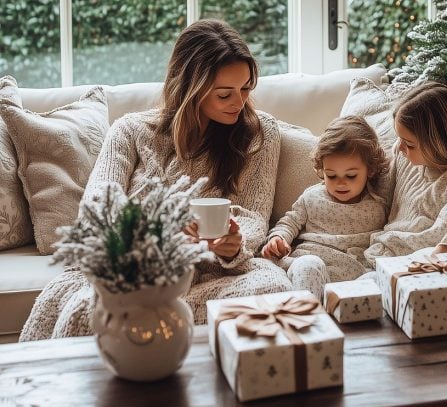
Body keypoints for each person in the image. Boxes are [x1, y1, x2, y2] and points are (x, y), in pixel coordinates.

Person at [20, 19, 293, 341]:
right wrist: (161, 239)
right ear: (191, 89)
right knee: (86, 306)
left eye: (246, 88)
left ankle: (160, 328)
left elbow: (254, 214)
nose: (240, 102)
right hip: (131, 272)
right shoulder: (130, 131)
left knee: (275, 288)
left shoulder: (260, 133)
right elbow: (97, 210)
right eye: (225, 94)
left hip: (216, 272)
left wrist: (232, 247)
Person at [363, 82, 447, 265]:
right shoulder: (404, 157)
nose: (400, 148)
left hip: (413, 266)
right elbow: (377, 197)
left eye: (409, 144)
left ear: (438, 141)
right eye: (400, 139)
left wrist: (391, 244)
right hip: (377, 254)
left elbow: (444, 237)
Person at [261, 115, 388, 299]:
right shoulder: (312, 196)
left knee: (376, 277)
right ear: (322, 169)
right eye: (331, 175)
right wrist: (279, 238)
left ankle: (349, 322)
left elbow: (385, 241)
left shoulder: (377, 205)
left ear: (371, 170)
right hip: (312, 263)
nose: (340, 184)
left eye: (351, 176)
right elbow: (289, 223)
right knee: (308, 265)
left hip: (355, 274)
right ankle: (313, 320)